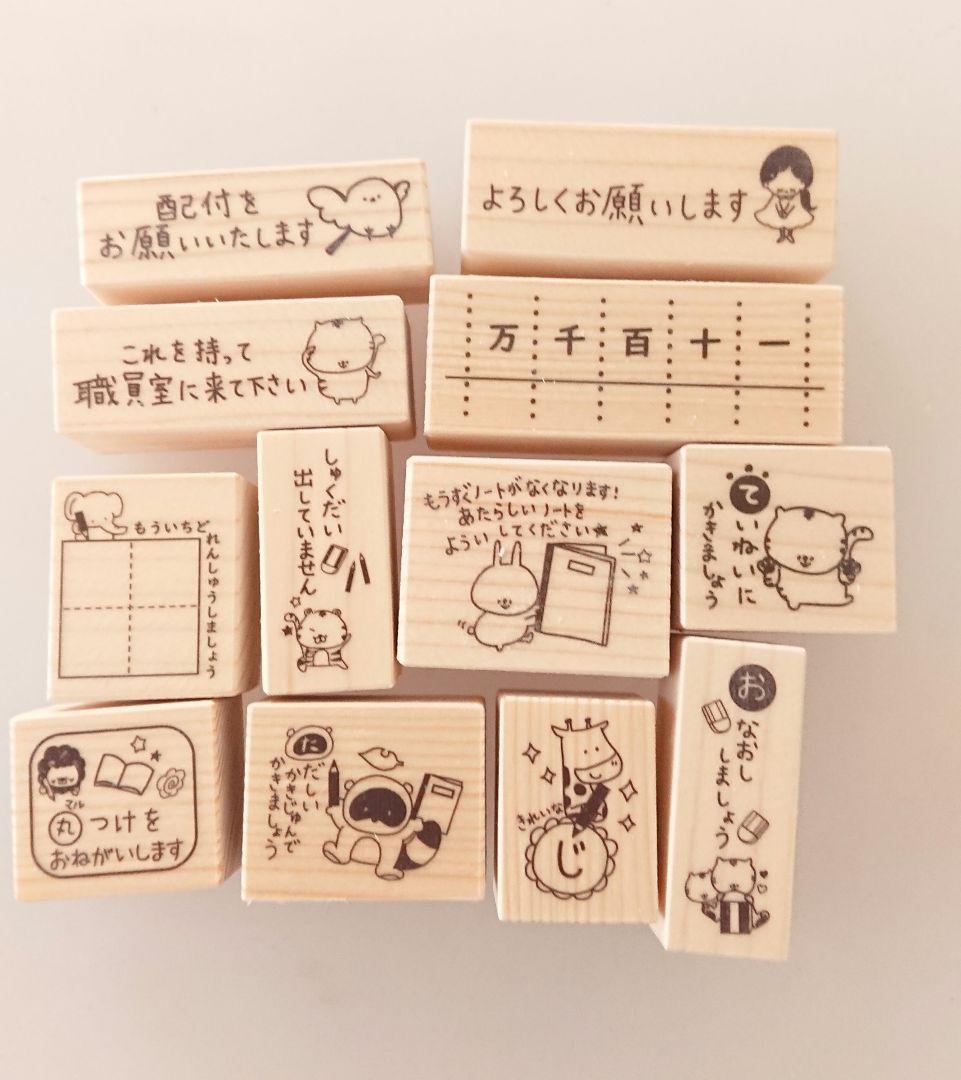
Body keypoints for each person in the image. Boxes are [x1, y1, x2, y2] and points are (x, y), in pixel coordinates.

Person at [754, 145, 816, 243]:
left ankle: (789, 233)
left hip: (794, 208)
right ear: (766, 183)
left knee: (793, 220)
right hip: (776, 208)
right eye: (779, 190)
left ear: (804, 184)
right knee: (777, 219)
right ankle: (782, 234)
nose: (786, 192)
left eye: (792, 190)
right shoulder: (775, 199)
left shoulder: (798, 199)